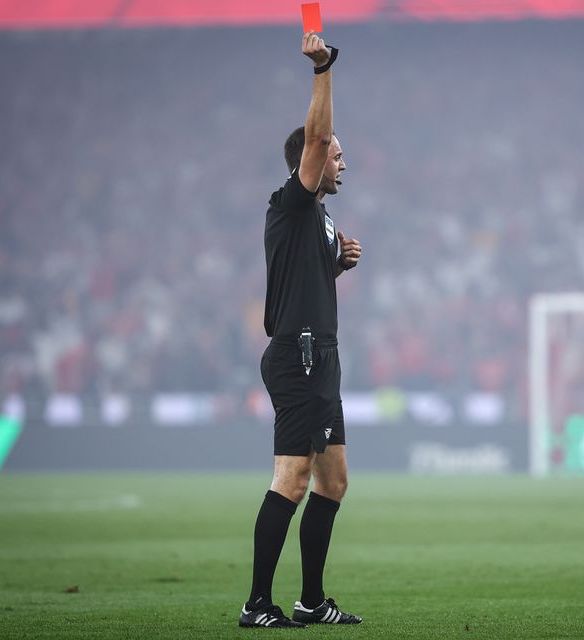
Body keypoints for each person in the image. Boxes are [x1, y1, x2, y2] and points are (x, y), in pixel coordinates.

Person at [239, 31, 363, 629]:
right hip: (300, 357)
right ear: (309, 166)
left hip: (324, 356)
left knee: (332, 480)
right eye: (336, 155)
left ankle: (311, 601)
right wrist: (323, 70)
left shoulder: (315, 217)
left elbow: (303, 278)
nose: (343, 162)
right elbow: (315, 136)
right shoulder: (292, 200)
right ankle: (256, 604)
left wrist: (334, 262)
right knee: (291, 478)